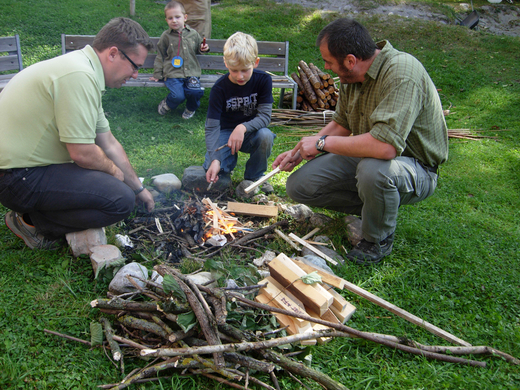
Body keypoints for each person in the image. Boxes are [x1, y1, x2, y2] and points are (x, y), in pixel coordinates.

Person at [273, 18, 448, 265]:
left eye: (329, 62)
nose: (326, 67)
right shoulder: (351, 78)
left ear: (350, 60)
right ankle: (377, 210)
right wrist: (301, 151)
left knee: (374, 171)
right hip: (373, 155)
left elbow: (385, 147)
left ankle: (377, 239)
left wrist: (322, 144)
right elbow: (342, 124)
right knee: (299, 185)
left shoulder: (402, 73)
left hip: (416, 167)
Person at [0, 17, 156, 250]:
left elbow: (108, 142)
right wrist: (115, 173)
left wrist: (139, 188)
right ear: (113, 53)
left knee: (121, 190)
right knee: (120, 200)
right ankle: (30, 222)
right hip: (16, 178)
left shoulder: (84, 71)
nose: (135, 74)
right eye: (136, 66)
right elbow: (82, 153)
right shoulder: (79, 75)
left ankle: (34, 213)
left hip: (24, 171)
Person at [203, 31, 276, 193]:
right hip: (225, 134)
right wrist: (215, 159)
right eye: (234, 70)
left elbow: (265, 117)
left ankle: (254, 177)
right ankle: (224, 168)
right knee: (214, 166)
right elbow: (211, 127)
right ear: (225, 63)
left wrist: (242, 127)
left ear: (255, 62)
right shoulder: (219, 89)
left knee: (266, 136)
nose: (240, 76)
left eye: (245, 70)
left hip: (251, 133)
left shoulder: (263, 80)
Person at [150, 0, 210, 119]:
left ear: (185, 17)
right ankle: (168, 104)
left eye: (177, 17)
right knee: (178, 96)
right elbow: (160, 55)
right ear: (166, 20)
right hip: (173, 73)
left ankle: (191, 108)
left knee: (195, 92)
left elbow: (200, 49)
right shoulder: (166, 36)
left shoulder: (193, 34)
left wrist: (204, 48)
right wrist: (157, 73)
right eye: (170, 18)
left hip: (191, 73)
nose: (174, 20)